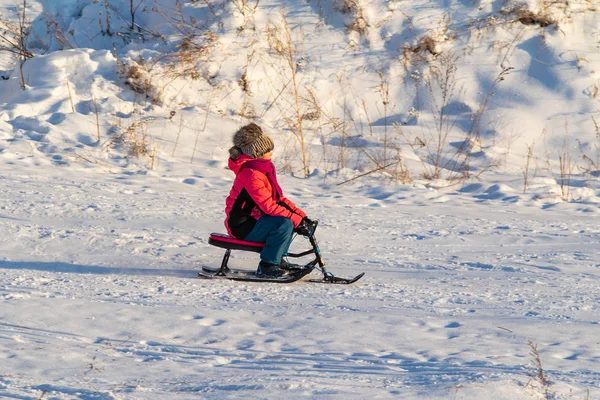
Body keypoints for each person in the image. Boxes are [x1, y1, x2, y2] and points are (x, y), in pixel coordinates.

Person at [224, 123, 314, 277]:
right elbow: (268, 207)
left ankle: (277, 259)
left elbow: (278, 199)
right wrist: (295, 220)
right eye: (267, 150)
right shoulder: (251, 174)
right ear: (256, 153)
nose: (271, 152)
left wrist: (302, 217)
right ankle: (268, 265)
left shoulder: (262, 169)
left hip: (254, 221)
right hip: (241, 225)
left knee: (287, 220)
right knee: (283, 223)